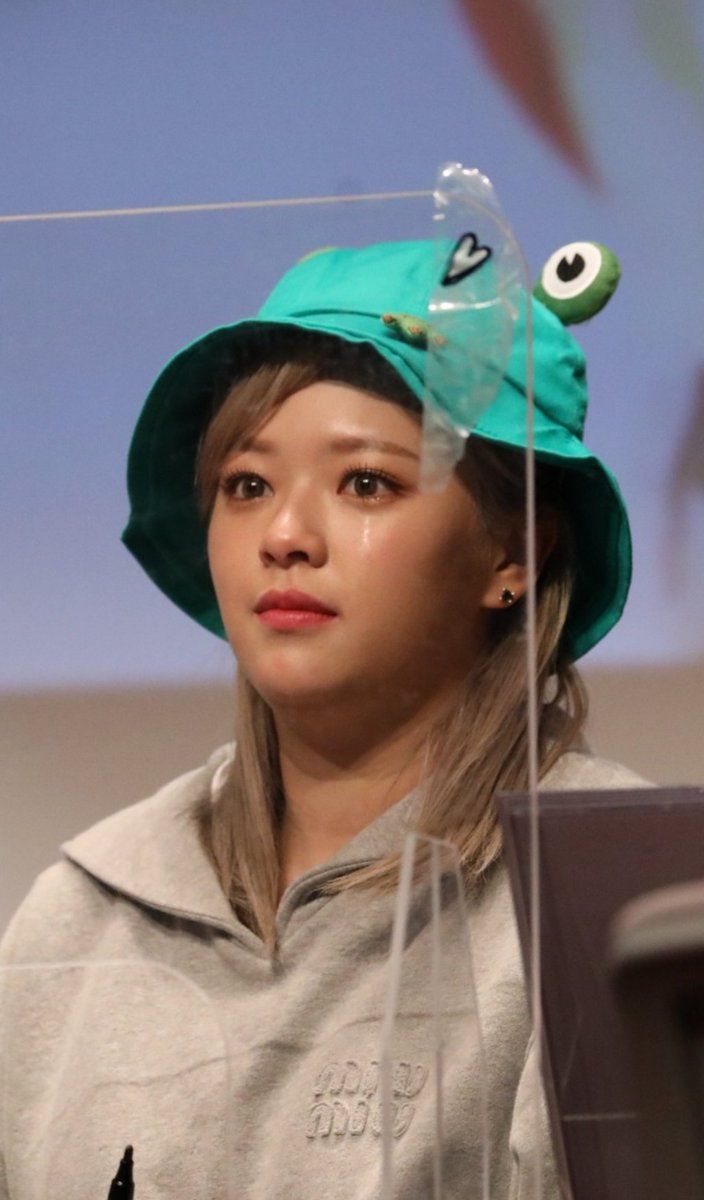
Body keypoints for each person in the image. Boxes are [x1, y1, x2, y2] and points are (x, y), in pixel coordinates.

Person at [0, 238, 646, 1200]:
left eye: (366, 483)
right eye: (247, 486)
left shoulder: (606, 906)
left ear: (515, 550)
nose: (285, 536)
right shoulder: (82, 915)